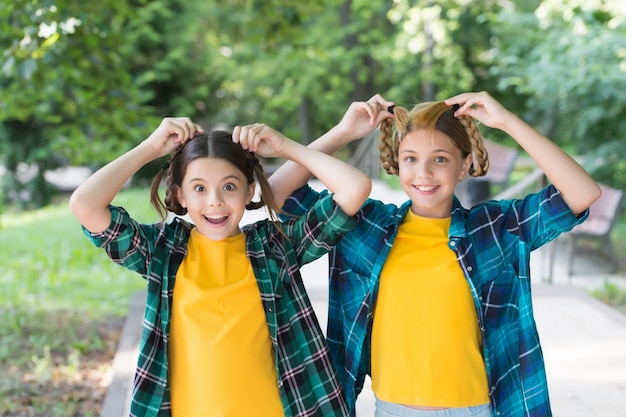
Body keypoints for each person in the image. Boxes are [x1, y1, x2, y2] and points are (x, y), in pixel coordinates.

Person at [268, 91, 601, 417]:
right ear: (397, 164)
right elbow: (278, 194)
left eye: (440, 159)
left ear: (464, 165)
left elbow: (582, 193)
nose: (423, 173)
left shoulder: (495, 230)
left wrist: (508, 122)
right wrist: (342, 133)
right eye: (411, 159)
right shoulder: (366, 227)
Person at [69, 117, 372, 417]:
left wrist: (286, 147)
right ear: (179, 195)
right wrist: (151, 147)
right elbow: (85, 204)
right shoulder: (163, 252)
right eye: (199, 188)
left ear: (249, 190)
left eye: (229, 186)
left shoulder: (276, 247)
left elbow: (354, 188)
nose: (214, 201)